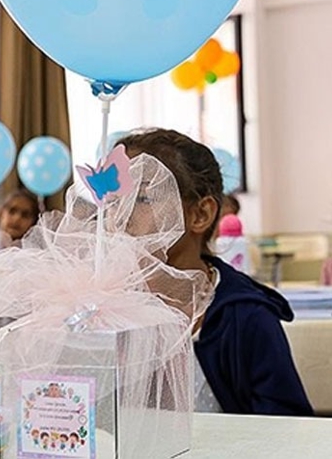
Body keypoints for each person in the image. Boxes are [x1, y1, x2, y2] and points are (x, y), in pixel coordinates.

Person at [120, 129, 313, 416]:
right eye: (114, 199)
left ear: (200, 214)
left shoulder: (245, 317)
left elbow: (287, 425)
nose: (120, 214)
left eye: (143, 199)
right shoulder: (101, 306)